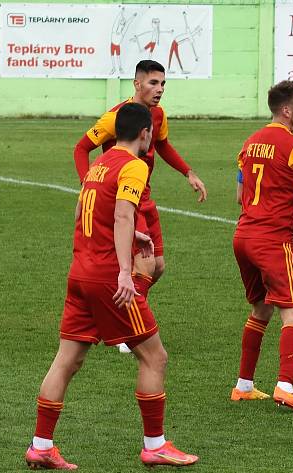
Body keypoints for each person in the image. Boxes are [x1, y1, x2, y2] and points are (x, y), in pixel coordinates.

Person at [25, 103, 198, 470]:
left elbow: (84, 214)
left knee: (67, 360)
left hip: (80, 274)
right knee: (155, 356)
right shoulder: (134, 166)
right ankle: (155, 445)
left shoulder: (98, 165)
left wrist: (131, 233)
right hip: (108, 279)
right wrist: (124, 270)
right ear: (146, 134)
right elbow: (121, 212)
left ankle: (41, 445)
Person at [74, 60, 207, 352]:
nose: (159, 90)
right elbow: (81, 147)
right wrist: (88, 184)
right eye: (152, 83)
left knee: (157, 267)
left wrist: (189, 173)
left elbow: (163, 145)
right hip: (125, 199)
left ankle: (115, 315)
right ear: (136, 84)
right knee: (143, 263)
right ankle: (127, 329)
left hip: (146, 199)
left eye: (162, 84)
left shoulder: (157, 115)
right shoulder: (116, 118)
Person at [230, 80, 293, 414]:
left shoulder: (251, 141)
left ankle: (244, 386)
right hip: (271, 241)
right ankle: (285, 386)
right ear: (287, 110)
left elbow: (242, 196)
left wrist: (281, 217)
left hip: (244, 236)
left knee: (261, 309)